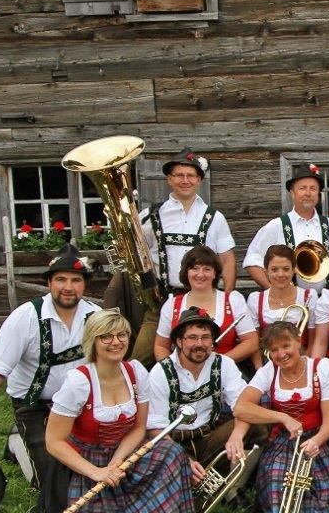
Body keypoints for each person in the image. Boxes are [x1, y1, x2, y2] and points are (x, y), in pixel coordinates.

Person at [0, 244, 99, 487]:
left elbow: (111, 367)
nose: (68, 287)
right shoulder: (25, 318)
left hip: (80, 405)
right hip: (34, 406)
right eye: (61, 279)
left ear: (84, 284)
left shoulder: (96, 317)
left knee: (94, 467)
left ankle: (23, 442)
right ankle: (18, 443)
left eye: (76, 280)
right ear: (49, 283)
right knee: (53, 483)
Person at [42, 309, 195, 513]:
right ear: (93, 341)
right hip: (85, 461)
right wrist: (98, 472)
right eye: (106, 337)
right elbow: (54, 442)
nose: (116, 342)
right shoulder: (78, 382)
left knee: (172, 452)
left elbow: (138, 428)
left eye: (122, 335)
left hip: (123, 453)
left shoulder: (136, 372)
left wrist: (117, 461)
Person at [231, 322, 329, 513]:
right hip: (283, 443)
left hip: (317, 441)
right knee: (276, 485)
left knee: (323, 491)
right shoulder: (268, 371)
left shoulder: (321, 367)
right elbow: (240, 408)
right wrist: (282, 417)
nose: (281, 354)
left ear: (298, 342)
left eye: (286, 346)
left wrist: (316, 441)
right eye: (274, 350)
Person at [131, 148, 236, 364]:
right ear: (169, 179)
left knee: (204, 358)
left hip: (204, 303)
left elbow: (227, 259)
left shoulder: (214, 217)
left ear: (199, 180)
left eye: (190, 176)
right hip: (161, 303)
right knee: (139, 361)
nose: (185, 180)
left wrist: (227, 296)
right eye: (179, 175)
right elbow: (137, 256)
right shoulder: (150, 216)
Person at [147, 306, 265, 489]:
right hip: (173, 444)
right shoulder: (160, 372)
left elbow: (244, 405)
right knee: (172, 477)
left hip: (208, 438)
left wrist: (237, 435)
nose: (199, 344)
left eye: (205, 337)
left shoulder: (223, 364)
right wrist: (183, 460)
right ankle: (203, 484)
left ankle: (234, 489)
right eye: (192, 338)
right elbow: (155, 429)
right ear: (179, 341)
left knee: (258, 426)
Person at [244, 163, 329, 292]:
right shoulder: (276, 226)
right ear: (292, 193)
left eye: (313, 188)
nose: (308, 193)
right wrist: (273, 291)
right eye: (302, 188)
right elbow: (252, 260)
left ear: (318, 193)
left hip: (325, 300)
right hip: (289, 301)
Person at [154, 247, 258, 369]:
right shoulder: (171, 305)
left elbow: (251, 342)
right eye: (195, 268)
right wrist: (173, 370)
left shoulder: (233, 301)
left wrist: (216, 364)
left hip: (224, 371)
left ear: (215, 273)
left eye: (207, 269)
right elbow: (161, 346)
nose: (200, 274)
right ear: (186, 272)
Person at [245, 244, 318, 368]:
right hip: (269, 366)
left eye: (286, 269)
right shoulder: (255, 299)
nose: (280, 274)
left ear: (294, 269)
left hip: (302, 363)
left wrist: (305, 367)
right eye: (274, 270)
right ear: (266, 271)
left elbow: (313, 341)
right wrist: (260, 370)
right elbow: (255, 344)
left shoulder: (309, 296)